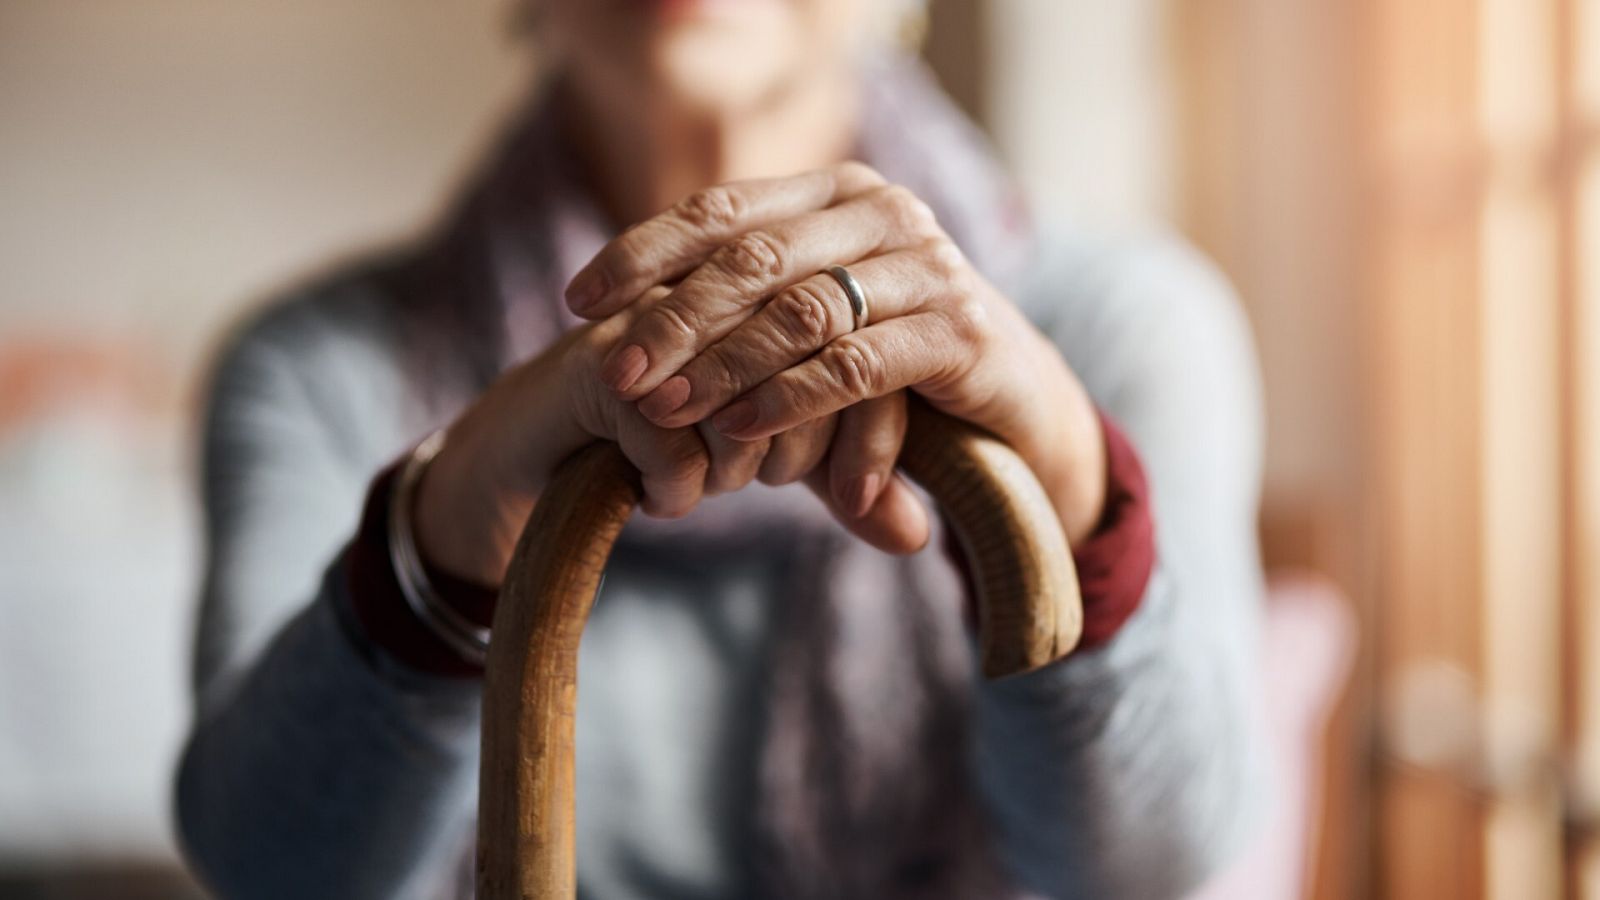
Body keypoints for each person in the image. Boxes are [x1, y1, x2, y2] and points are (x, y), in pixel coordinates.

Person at [174, 1, 1269, 897]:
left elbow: (1148, 867)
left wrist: (1067, 495)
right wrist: (442, 532)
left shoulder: (1124, 325)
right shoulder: (317, 366)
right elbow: (272, 871)